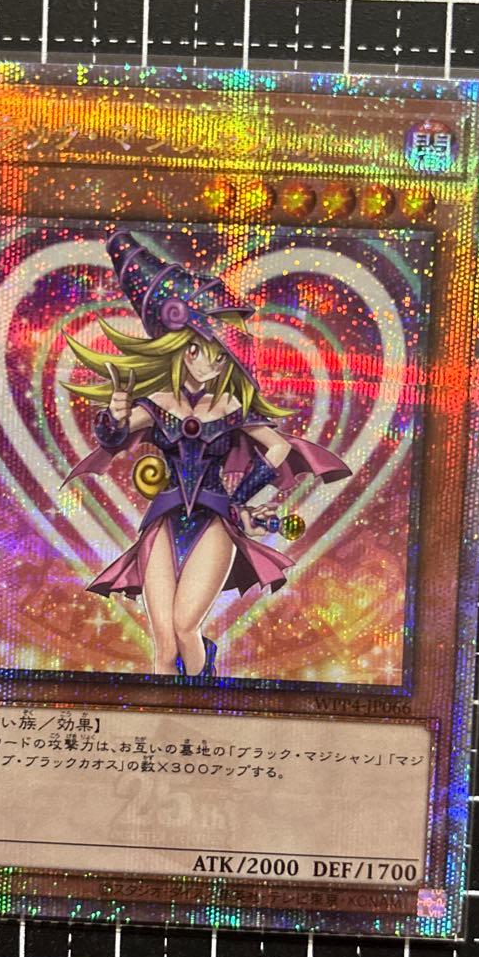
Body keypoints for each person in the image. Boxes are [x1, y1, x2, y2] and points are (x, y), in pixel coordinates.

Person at [62, 230, 350, 679]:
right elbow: (113, 440)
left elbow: (278, 446)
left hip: (215, 519)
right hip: (163, 518)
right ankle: (163, 713)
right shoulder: (158, 403)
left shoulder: (231, 406)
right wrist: (114, 415)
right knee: (162, 643)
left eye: (218, 355)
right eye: (198, 350)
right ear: (178, 349)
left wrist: (242, 496)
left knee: (185, 626)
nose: (208, 362)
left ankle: (202, 687)